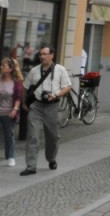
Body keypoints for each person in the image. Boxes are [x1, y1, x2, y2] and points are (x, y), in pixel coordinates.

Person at [21, 46, 71, 176]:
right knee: (32, 136)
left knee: (53, 137)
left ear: (52, 55)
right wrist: (24, 102)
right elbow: (25, 87)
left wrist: (56, 95)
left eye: (45, 54)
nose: (42, 57)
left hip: (52, 106)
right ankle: (31, 166)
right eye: (40, 54)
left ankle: (51, 158)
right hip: (36, 106)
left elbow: (67, 87)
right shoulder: (34, 71)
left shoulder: (60, 70)